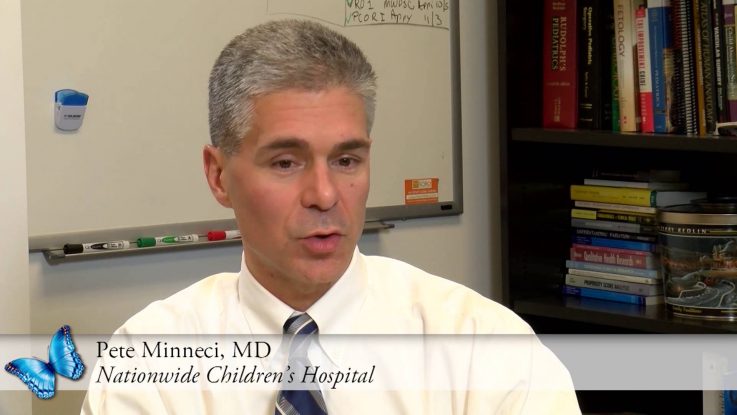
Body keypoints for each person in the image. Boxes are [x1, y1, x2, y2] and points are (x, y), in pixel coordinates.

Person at [82, 19, 580, 414]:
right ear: (218, 176)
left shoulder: (484, 349)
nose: (324, 195)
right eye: (285, 163)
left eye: (346, 160)